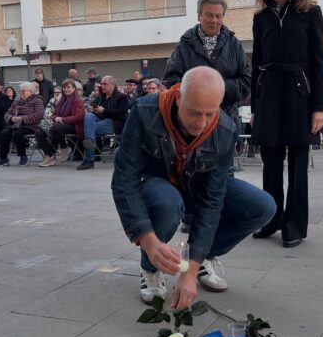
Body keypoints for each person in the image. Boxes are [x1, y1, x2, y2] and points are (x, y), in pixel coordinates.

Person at [111, 66, 275, 307]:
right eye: (195, 113)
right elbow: (124, 181)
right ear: (178, 98)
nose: (202, 123)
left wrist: (190, 268)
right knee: (168, 202)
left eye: (210, 113)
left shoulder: (225, 129)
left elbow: (212, 200)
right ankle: (151, 267)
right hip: (159, 187)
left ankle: (202, 259)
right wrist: (149, 241)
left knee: (263, 206)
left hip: (199, 187)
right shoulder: (145, 111)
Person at [250, 0, 323, 249]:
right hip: (269, 92)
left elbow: (320, 61)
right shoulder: (261, 19)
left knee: (297, 164)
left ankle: (294, 226)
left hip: (300, 94)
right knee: (270, 164)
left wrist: (320, 105)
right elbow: (256, 62)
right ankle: (270, 219)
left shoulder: (310, 13)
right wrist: (255, 107)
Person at [163, 0, 250, 125]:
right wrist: (198, 92)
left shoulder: (234, 45)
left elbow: (247, 81)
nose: (214, 20)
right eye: (209, 15)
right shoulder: (184, 45)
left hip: (227, 122)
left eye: (218, 16)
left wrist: (217, 90)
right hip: (192, 123)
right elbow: (171, 80)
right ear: (199, 15)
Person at [77, 75, 128, 170]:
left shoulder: (122, 97)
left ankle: (89, 159)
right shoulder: (101, 97)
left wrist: (104, 111)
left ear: (112, 84)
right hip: (100, 120)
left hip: (114, 122)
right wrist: (92, 108)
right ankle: (89, 157)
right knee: (88, 116)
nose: (102, 86)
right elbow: (94, 107)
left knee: (89, 130)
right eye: (101, 84)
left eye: (105, 84)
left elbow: (122, 113)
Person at [0, 82, 44, 167]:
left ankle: (23, 156)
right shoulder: (17, 101)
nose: (21, 93)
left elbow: (39, 115)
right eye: (20, 91)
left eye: (23, 91)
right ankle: (3, 159)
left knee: (18, 133)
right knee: (4, 133)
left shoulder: (37, 101)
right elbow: (7, 114)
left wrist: (22, 119)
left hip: (30, 126)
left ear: (30, 91)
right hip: (16, 125)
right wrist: (11, 118)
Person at [36, 79, 85, 167]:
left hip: (74, 126)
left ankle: (64, 147)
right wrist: (56, 118)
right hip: (60, 125)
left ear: (74, 88)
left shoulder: (78, 100)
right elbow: (54, 115)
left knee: (55, 128)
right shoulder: (61, 100)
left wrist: (62, 119)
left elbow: (79, 116)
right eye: (64, 88)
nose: (66, 89)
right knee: (39, 131)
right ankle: (49, 155)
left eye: (69, 87)